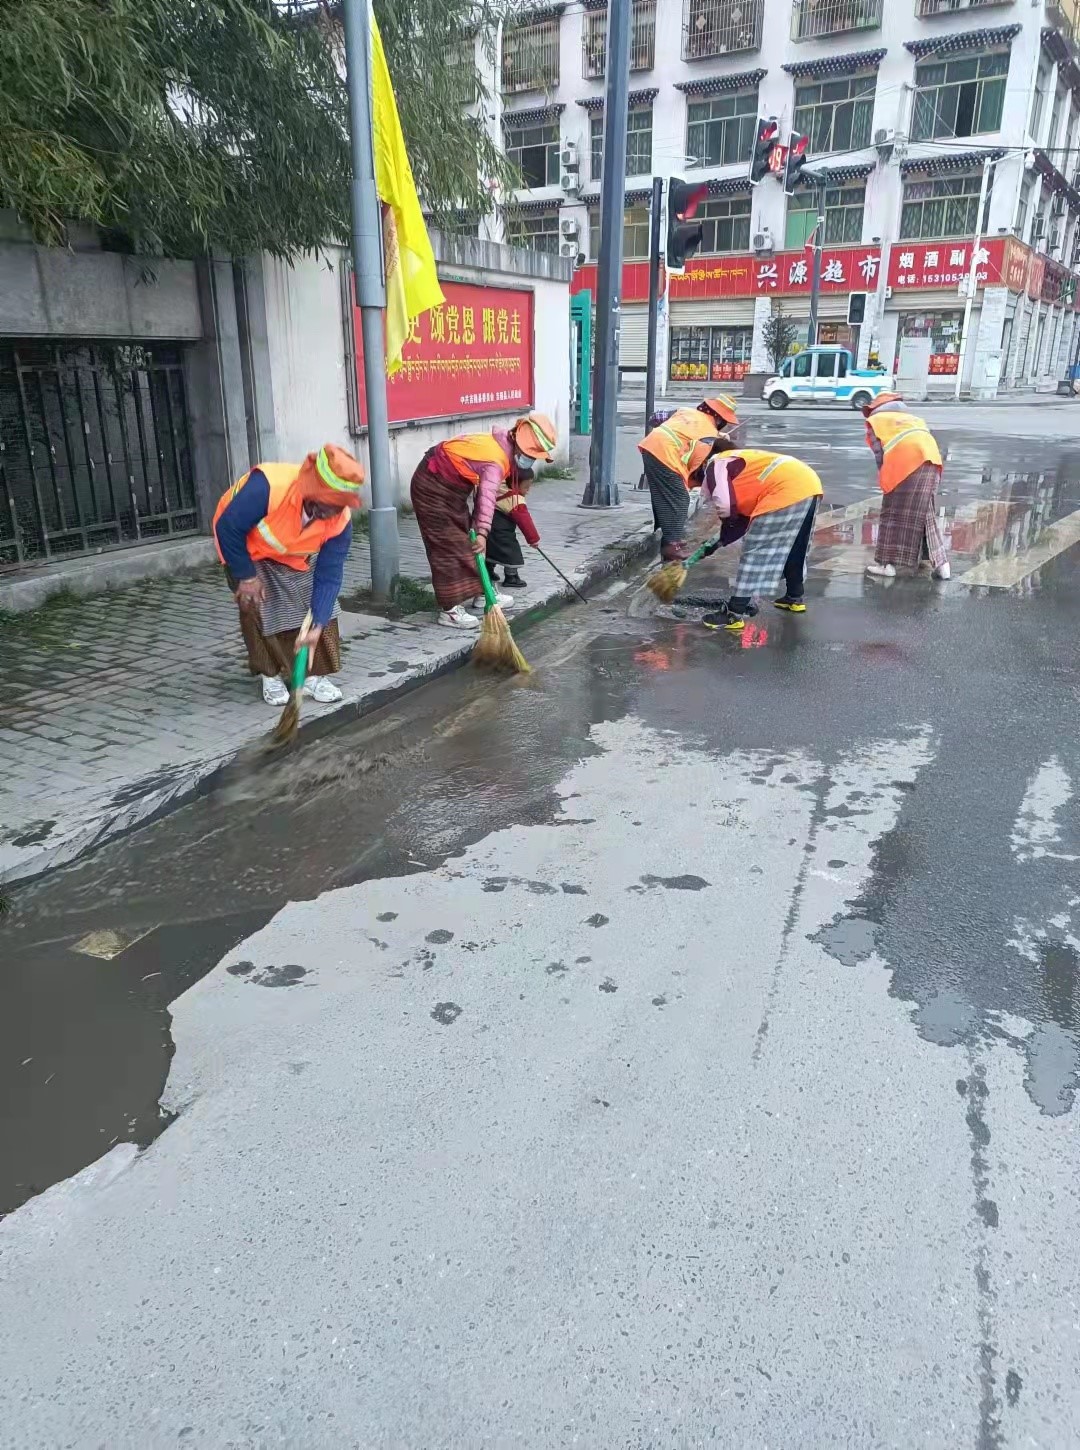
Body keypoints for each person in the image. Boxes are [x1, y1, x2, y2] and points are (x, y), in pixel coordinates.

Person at [213, 444, 364, 706]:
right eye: (329, 503)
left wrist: (318, 623)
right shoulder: (268, 487)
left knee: (321, 610)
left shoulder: (340, 521)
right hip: (246, 549)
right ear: (312, 491)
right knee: (258, 607)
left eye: (340, 505)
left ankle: (312, 676)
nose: (333, 512)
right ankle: (269, 674)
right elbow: (228, 527)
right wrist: (246, 576)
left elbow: (329, 574)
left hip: (292, 554)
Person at [410, 414, 557, 629]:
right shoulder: (496, 460)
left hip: (453, 490)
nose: (531, 460)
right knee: (449, 544)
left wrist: (479, 530)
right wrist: (483, 533)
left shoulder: (504, 447)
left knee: (468, 539)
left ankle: (482, 593)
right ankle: (450, 610)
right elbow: (488, 497)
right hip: (432, 486)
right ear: (519, 444)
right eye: (530, 455)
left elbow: (482, 496)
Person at [698, 443, 823, 631]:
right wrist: (715, 543)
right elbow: (739, 524)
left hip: (784, 490)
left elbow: (725, 506)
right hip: (808, 485)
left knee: (755, 551)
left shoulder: (716, 463)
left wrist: (725, 527)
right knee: (796, 546)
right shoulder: (743, 466)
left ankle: (733, 613)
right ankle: (794, 597)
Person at [638, 395, 740, 561]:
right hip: (665, 455)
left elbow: (655, 418)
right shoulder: (708, 434)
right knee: (681, 498)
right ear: (719, 418)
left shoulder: (685, 412)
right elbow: (695, 464)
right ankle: (671, 546)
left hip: (650, 446)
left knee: (663, 496)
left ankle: (671, 537)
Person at [862, 393, 950, 581]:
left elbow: (880, 456)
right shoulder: (913, 420)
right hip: (932, 462)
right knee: (925, 513)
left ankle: (887, 565)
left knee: (892, 514)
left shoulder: (877, 422)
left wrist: (886, 481)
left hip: (905, 466)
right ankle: (942, 565)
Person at [485, 459, 541, 590]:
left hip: (488, 528)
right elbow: (525, 522)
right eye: (526, 487)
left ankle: (488, 572)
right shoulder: (516, 501)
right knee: (511, 552)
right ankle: (511, 577)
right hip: (503, 533)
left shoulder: (499, 487)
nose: (528, 491)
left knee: (490, 550)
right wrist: (533, 539)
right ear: (515, 484)